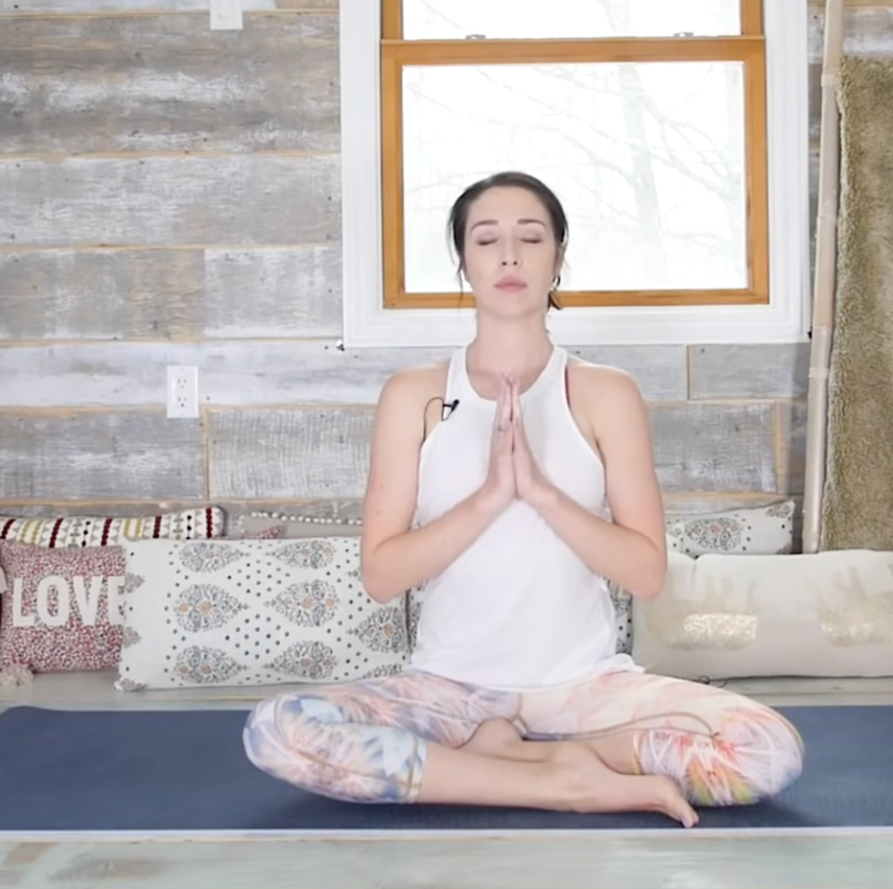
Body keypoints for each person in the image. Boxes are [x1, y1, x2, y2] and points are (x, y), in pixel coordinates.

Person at [242, 171, 803, 827]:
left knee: (767, 751)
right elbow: (381, 575)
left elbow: (646, 574)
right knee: (276, 731)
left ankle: (509, 761)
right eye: (487, 239)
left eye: (530, 237)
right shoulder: (412, 395)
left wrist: (539, 493)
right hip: (448, 696)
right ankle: (560, 780)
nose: (509, 254)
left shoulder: (604, 392)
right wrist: (488, 496)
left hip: (583, 691)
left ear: (557, 257)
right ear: (464, 263)